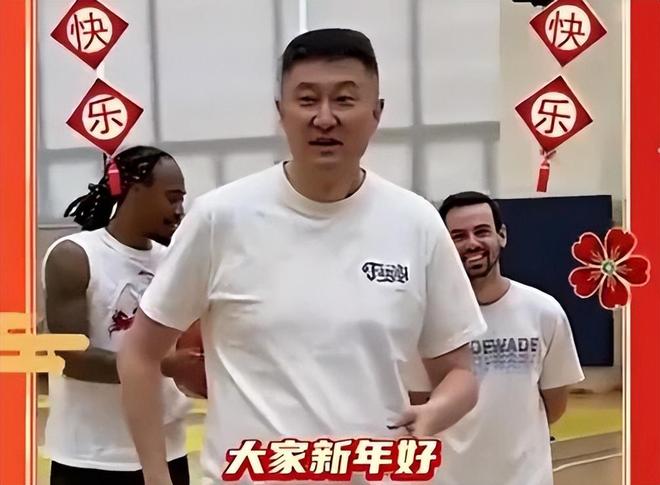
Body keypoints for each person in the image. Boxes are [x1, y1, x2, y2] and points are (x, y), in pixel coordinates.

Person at [118, 29, 487, 485]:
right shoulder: (220, 218)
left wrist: (434, 413)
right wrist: (157, 478)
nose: (325, 118)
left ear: (376, 112)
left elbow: (459, 375)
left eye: (345, 99)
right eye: (307, 100)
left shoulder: (417, 222)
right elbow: (139, 353)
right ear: (281, 112)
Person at [43, 146, 200, 485]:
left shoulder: (175, 260)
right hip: (90, 455)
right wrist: (161, 366)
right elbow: (72, 357)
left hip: (166, 449)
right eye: (172, 198)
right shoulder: (75, 256)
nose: (179, 211)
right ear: (136, 190)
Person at [416, 191, 584, 485]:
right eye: (458, 236)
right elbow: (418, 406)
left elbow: (554, 405)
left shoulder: (544, 312)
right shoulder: (424, 321)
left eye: (482, 231)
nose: (472, 243)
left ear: (501, 235)